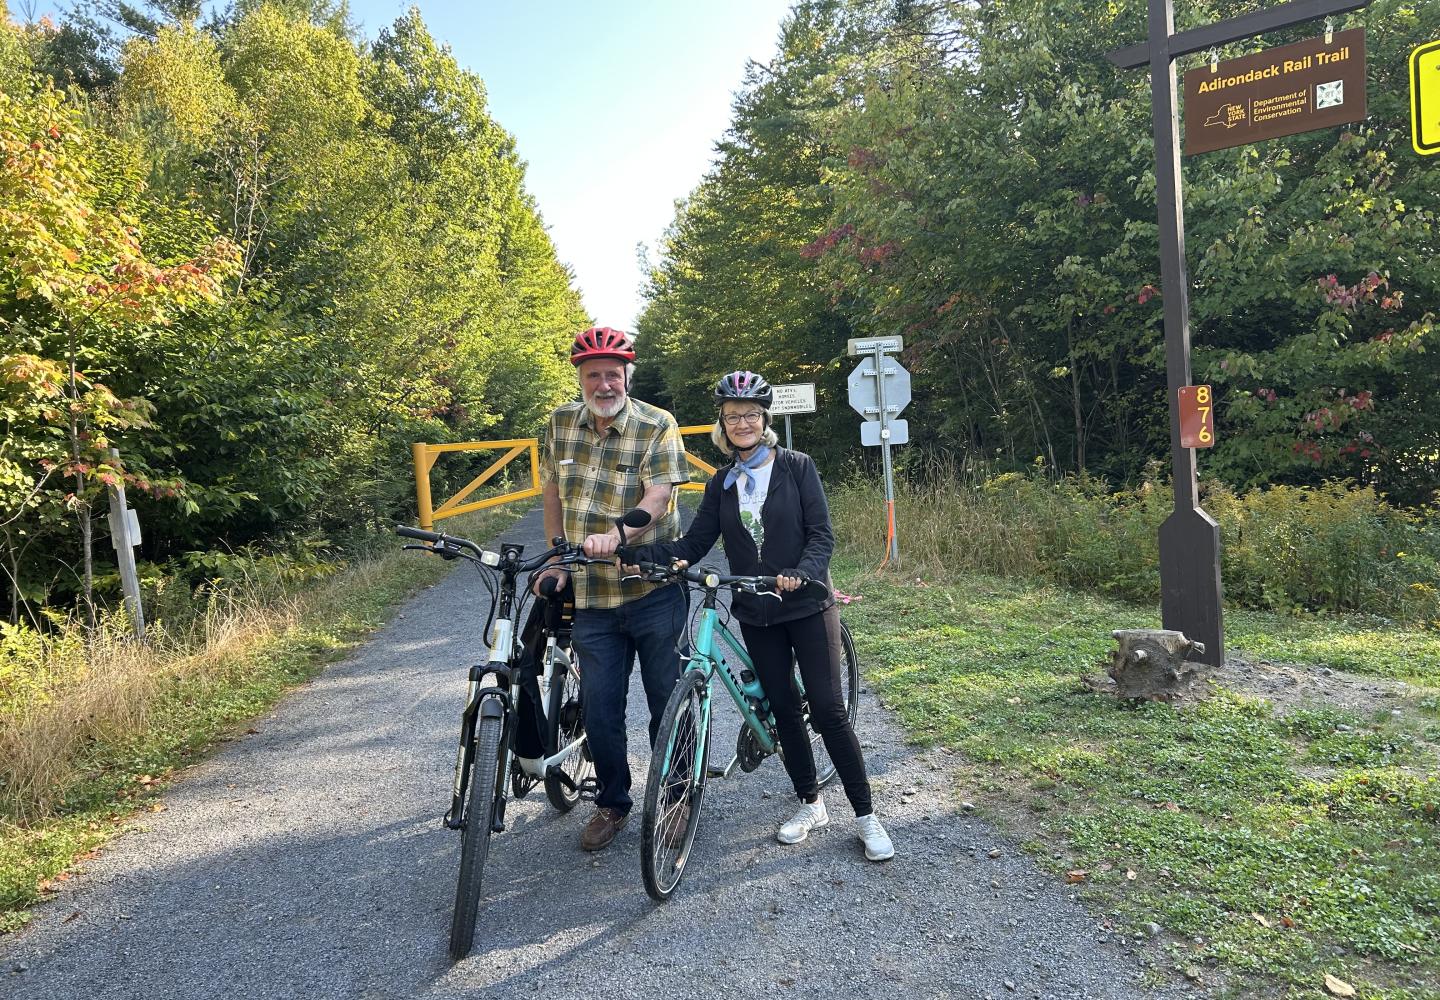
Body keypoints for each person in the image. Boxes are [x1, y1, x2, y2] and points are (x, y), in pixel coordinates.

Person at [626, 371, 894, 861]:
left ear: (764, 419)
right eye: (733, 416)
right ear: (722, 426)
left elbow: (822, 536)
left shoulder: (797, 467)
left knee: (829, 712)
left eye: (750, 414)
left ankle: (866, 815)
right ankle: (811, 803)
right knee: (786, 712)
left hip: (808, 605)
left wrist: (802, 572)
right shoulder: (722, 484)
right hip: (756, 611)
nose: (742, 423)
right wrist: (655, 557)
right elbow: (696, 542)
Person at [532, 326, 690, 852]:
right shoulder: (558, 424)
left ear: (627, 376)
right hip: (593, 596)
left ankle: (677, 794)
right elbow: (552, 492)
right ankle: (613, 803)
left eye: (613, 374)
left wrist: (617, 535)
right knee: (600, 707)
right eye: (594, 374)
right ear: (580, 377)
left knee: (668, 698)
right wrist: (558, 554)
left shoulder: (656, 424)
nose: (605, 384)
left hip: (651, 587)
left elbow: (660, 496)